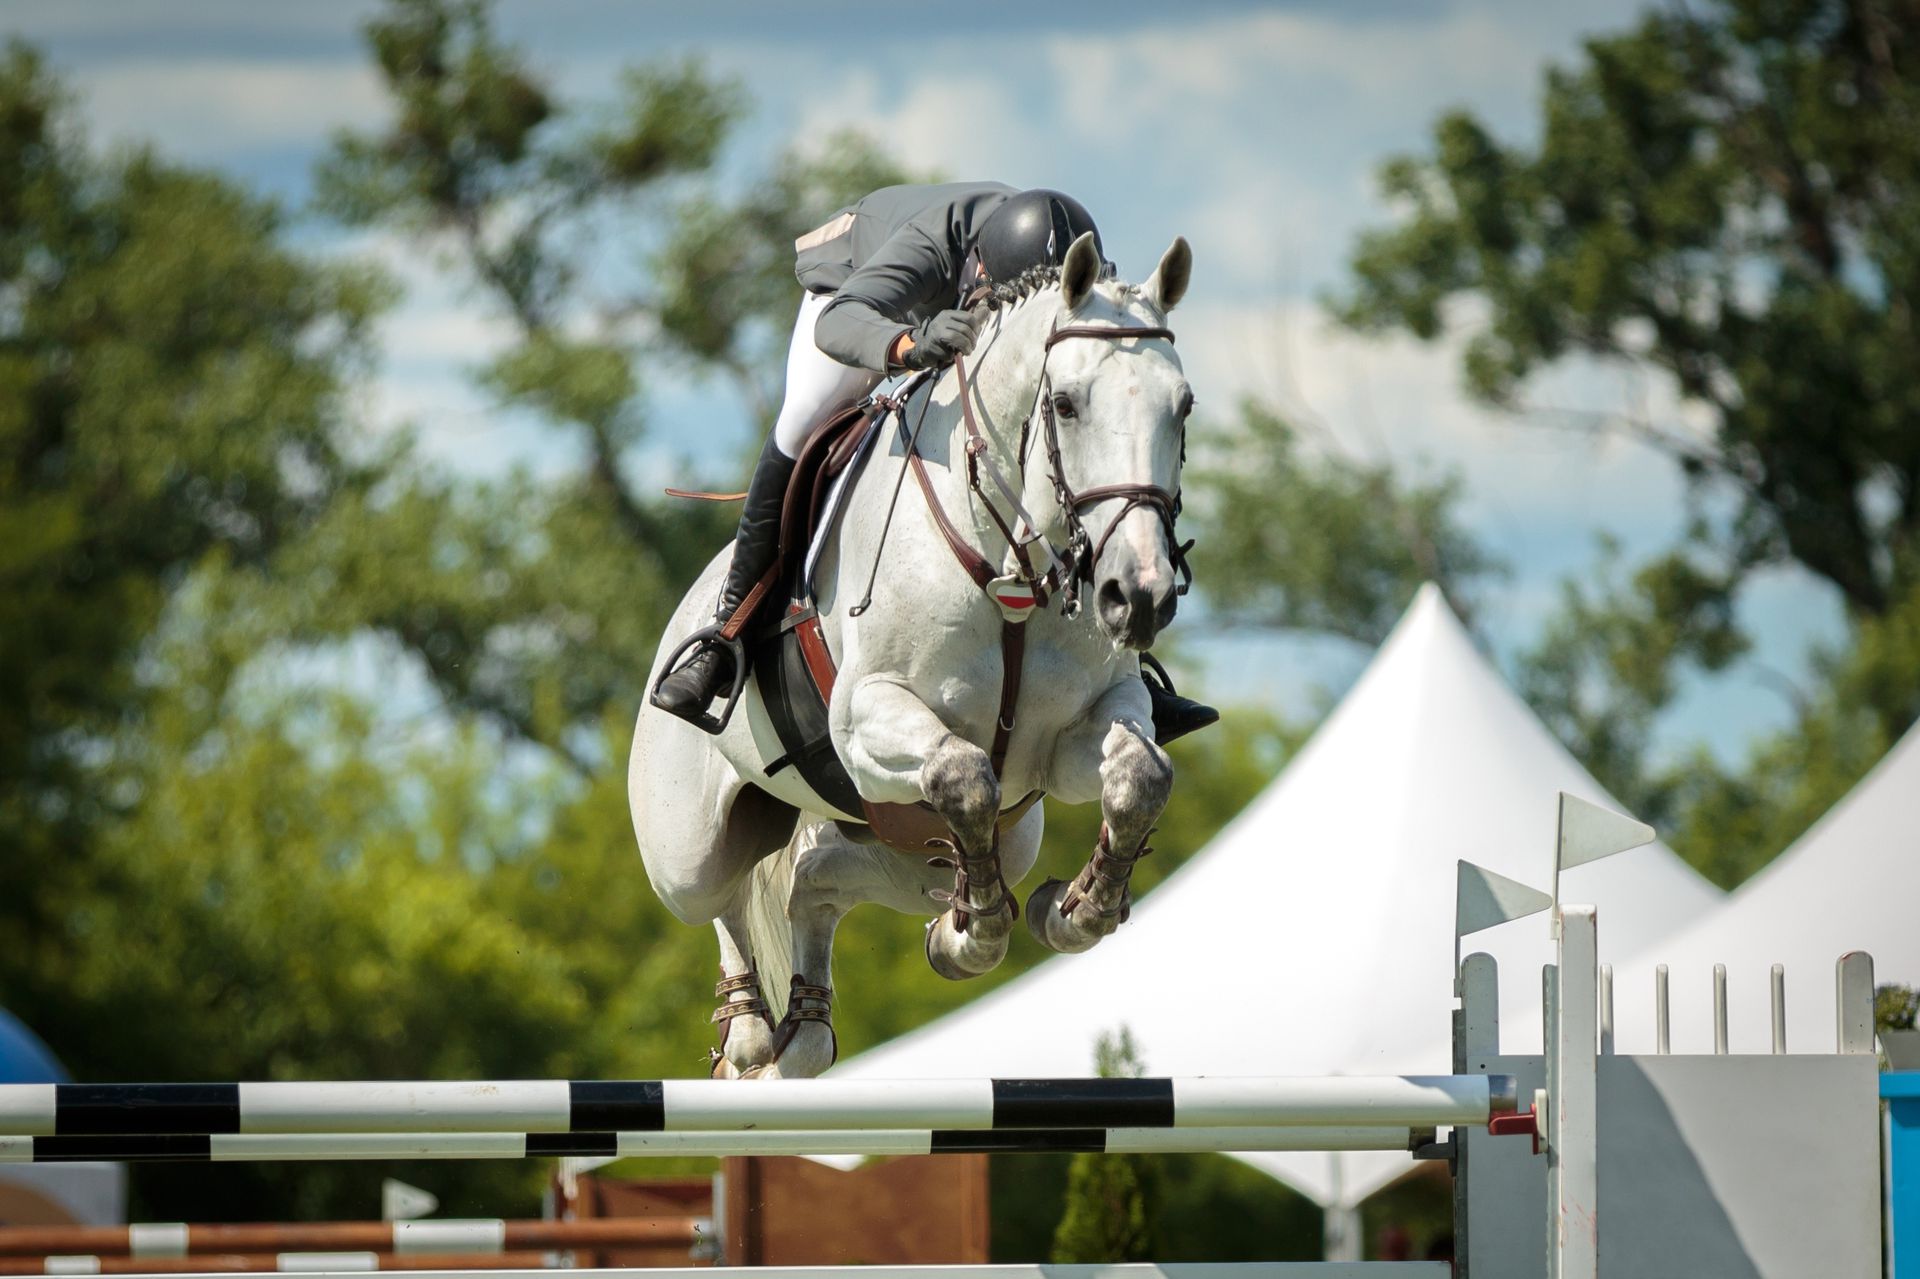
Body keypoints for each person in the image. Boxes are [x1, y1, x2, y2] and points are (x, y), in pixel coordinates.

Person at [651, 182, 1217, 744]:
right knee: (801, 420)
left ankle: (1127, 670)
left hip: (949, 308)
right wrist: (907, 345)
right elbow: (839, 322)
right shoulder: (934, 244)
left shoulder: (1080, 271)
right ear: (976, 270)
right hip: (855, 292)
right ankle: (725, 637)